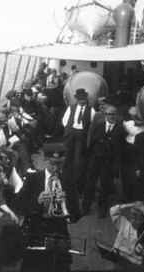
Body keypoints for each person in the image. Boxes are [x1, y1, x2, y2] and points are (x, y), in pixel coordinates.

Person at [17, 143, 71, 272]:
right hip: (36, 232)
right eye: (52, 164)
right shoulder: (33, 179)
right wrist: (37, 201)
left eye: (59, 164)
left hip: (59, 233)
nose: (55, 168)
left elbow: (77, 213)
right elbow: (19, 205)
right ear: (45, 161)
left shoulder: (68, 180)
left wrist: (66, 204)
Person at [83, 104, 125, 217]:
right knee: (90, 183)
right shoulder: (99, 126)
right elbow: (92, 143)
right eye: (109, 114)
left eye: (113, 114)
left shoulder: (120, 130)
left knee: (104, 186)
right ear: (105, 115)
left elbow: (120, 150)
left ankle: (102, 209)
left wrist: (116, 165)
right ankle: (85, 208)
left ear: (116, 115)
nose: (111, 116)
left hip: (108, 162)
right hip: (96, 159)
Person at [62, 88, 95, 219]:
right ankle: (65, 178)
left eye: (83, 99)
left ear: (86, 99)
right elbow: (64, 120)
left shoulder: (91, 111)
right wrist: (69, 129)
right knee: (67, 157)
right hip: (71, 133)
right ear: (76, 99)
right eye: (79, 99)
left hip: (82, 135)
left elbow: (92, 125)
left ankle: (77, 183)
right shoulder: (71, 107)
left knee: (79, 160)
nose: (81, 102)